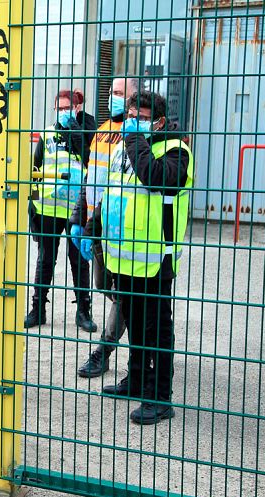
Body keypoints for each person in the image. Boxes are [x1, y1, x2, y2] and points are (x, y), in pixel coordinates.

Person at [80, 90, 192, 424]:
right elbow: (114, 190)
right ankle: (137, 380)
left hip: (155, 261)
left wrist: (134, 139)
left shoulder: (175, 149)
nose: (133, 120)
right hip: (123, 259)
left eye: (141, 116)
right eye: (131, 113)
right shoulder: (124, 148)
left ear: (158, 121)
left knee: (156, 330)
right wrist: (90, 224)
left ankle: (160, 398)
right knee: (136, 330)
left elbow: (155, 178)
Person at [70, 78, 139, 378]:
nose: (114, 97)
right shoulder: (101, 132)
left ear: (135, 96)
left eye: (121, 93)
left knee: (123, 292)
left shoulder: (137, 134)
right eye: (112, 92)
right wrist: (78, 220)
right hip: (97, 223)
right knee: (105, 287)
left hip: (122, 228)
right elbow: (91, 178)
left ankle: (104, 349)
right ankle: (142, 321)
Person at [24, 89, 97, 332]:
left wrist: (77, 132)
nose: (64, 113)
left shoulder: (86, 133)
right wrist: (32, 205)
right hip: (47, 209)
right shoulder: (47, 134)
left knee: (79, 260)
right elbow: (34, 169)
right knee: (45, 259)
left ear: (76, 109)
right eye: (60, 109)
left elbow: (92, 164)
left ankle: (83, 311)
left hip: (77, 209)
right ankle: (37, 309)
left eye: (68, 108)